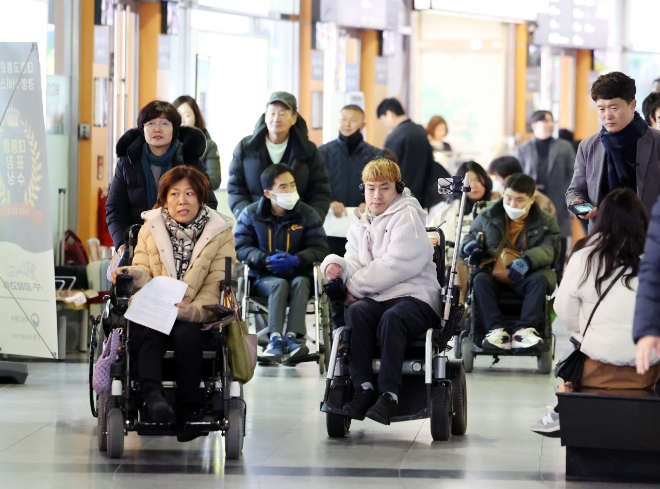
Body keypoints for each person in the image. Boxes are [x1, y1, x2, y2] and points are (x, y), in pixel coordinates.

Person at [111, 166, 235, 430]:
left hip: (194, 308)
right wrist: (129, 273)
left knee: (187, 335)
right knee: (147, 330)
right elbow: (144, 270)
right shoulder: (150, 228)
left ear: (201, 197)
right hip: (157, 305)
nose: (182, 200)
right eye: (175, 194)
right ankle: (153, 397)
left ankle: (188, 404)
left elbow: (217, 282)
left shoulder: (220, 231)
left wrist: (192, 309)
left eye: (190, 193)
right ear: (164, 198)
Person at [321, 158, 441, 425]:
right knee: (359, 313)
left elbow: (396, 264)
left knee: (393, 318)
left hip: (415, 296)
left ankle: (389, 394)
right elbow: (354, 261)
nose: (376, 195)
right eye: (370, 187)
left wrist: (353, 287)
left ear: (397, 188)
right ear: (362, 189)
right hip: (377, 297)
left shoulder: (407, 216)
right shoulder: (360, 224)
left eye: (384, 188)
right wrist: (336, 266)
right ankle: (363, 387)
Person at [531, 188, 660, 437]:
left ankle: (562, 410)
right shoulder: (653, 259)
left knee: (578, 338)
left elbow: (564, 312)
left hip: (597, 363)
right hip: (650, 365)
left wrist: (589, 329)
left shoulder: (585, 255)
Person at [234, 164, 329, 364]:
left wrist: (298, 259)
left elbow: (320, 248)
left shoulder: (307, 213)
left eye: (292, 185)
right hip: (263, 278)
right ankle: (274, 339)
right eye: (283, 187)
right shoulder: (251, 214)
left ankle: (293, 337)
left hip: (298, 274)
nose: (290, 191)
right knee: (279, 284)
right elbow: (240, 246)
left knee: (301, 282)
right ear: (268, 193)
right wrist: (263, 259)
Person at [460, 174, 559, 350]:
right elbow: (470, 237)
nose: (513, 205)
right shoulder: (487, 216)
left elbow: (550, 248)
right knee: (479, 279)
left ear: (532, 199)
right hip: (494, 274)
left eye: (519, 200)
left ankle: (525, 330)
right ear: (503, 194)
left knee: (540, 280)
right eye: (509, 198)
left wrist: (527, 260)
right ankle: (496, 330)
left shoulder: (545, 221)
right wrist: (471, 247)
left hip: (527, 276)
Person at [106, 100, 218, 251]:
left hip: (182, 248)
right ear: (142, 128)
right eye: (151, 124)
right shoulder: (127, 164)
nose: (157, 129)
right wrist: (122, 244)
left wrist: (187, 238)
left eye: (164, 123)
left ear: (175, 129)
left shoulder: (190, 162)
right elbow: (115, 209)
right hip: (138, 247)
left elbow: (208, 205)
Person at [566, 71, 660, 230]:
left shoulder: (656, 141)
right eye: (601, 109)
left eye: (614, 108)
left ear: (632, 104)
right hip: (602, 237)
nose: (607, 115)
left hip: (648, 236)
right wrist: (578, 203)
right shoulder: (588, 146)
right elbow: (575, 190)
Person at [227, 91, 331, 221]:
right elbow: (236, 188)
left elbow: (319, 191)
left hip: (296, 226)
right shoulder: (247, 147)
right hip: (255, 225)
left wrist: (310, 222)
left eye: (282, 114)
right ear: (265, 116)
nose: (276, 119)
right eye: (272, 113)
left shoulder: (308, 150)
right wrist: (246, 217)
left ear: (294, 118)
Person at [318, 104, 381, 256]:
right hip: (331, 225)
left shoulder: (375, 155)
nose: (347, 124)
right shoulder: (323, 152)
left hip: (365, 224)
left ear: (363, 125)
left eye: (353, 120)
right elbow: (315, 186)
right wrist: (330, 201)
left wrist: (370, 202)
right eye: (343, 119)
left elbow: (383, 186)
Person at [428, 161, 493, 303]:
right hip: (452, 263)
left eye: (478, 179)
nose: (473, 185)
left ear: (485, 180)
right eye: (468, 181)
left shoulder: (495, 206)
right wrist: (433, 241)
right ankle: (457, 311)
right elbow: (431, 233)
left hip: (487, 260)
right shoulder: (448, 210)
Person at [377, 98, 449, 209]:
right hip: (422, 199)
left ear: (389, 114)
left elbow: (386, 172)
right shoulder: (421, 131)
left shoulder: (394, 137)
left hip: (400, 200)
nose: (385, 125)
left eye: (383, 120)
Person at [513, 110, 575, 238]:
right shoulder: (522, 149)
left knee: (558, 245)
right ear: (534, 125)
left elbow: (574, 174)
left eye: (552, 121)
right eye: (546, 121)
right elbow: (515, 176)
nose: (550, 124)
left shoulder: (565, 147)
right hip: (531, 202)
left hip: (559, 202)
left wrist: (569, 198)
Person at [173, 95, 221, 189]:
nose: (182, 120)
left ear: (196, 117)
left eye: (187, 115)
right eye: (178, 115)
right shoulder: (166, 145)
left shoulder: (209, 145)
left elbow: (214, 180)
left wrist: (187, 184)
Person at [489, 156, 556, 216]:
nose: (495, 180)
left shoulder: (538, 200)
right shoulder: (498, 195)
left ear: (508, 178)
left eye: (496, 177)